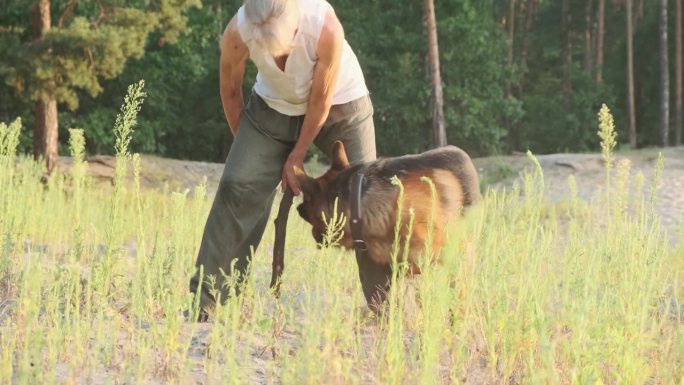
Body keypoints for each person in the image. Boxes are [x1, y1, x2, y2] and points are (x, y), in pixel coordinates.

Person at [188, 0, 391, 320]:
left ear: (296, 29)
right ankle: (207, 303)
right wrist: (253, 151)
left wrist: (295, 157)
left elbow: (320, 102)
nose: (280, 59)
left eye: (285, 51)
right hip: (273, 107)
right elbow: (230, 92)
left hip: (340, 105)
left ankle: (384, 307)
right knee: (237, 185)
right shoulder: (237, 33)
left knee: (364, 200)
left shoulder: (325, 28)